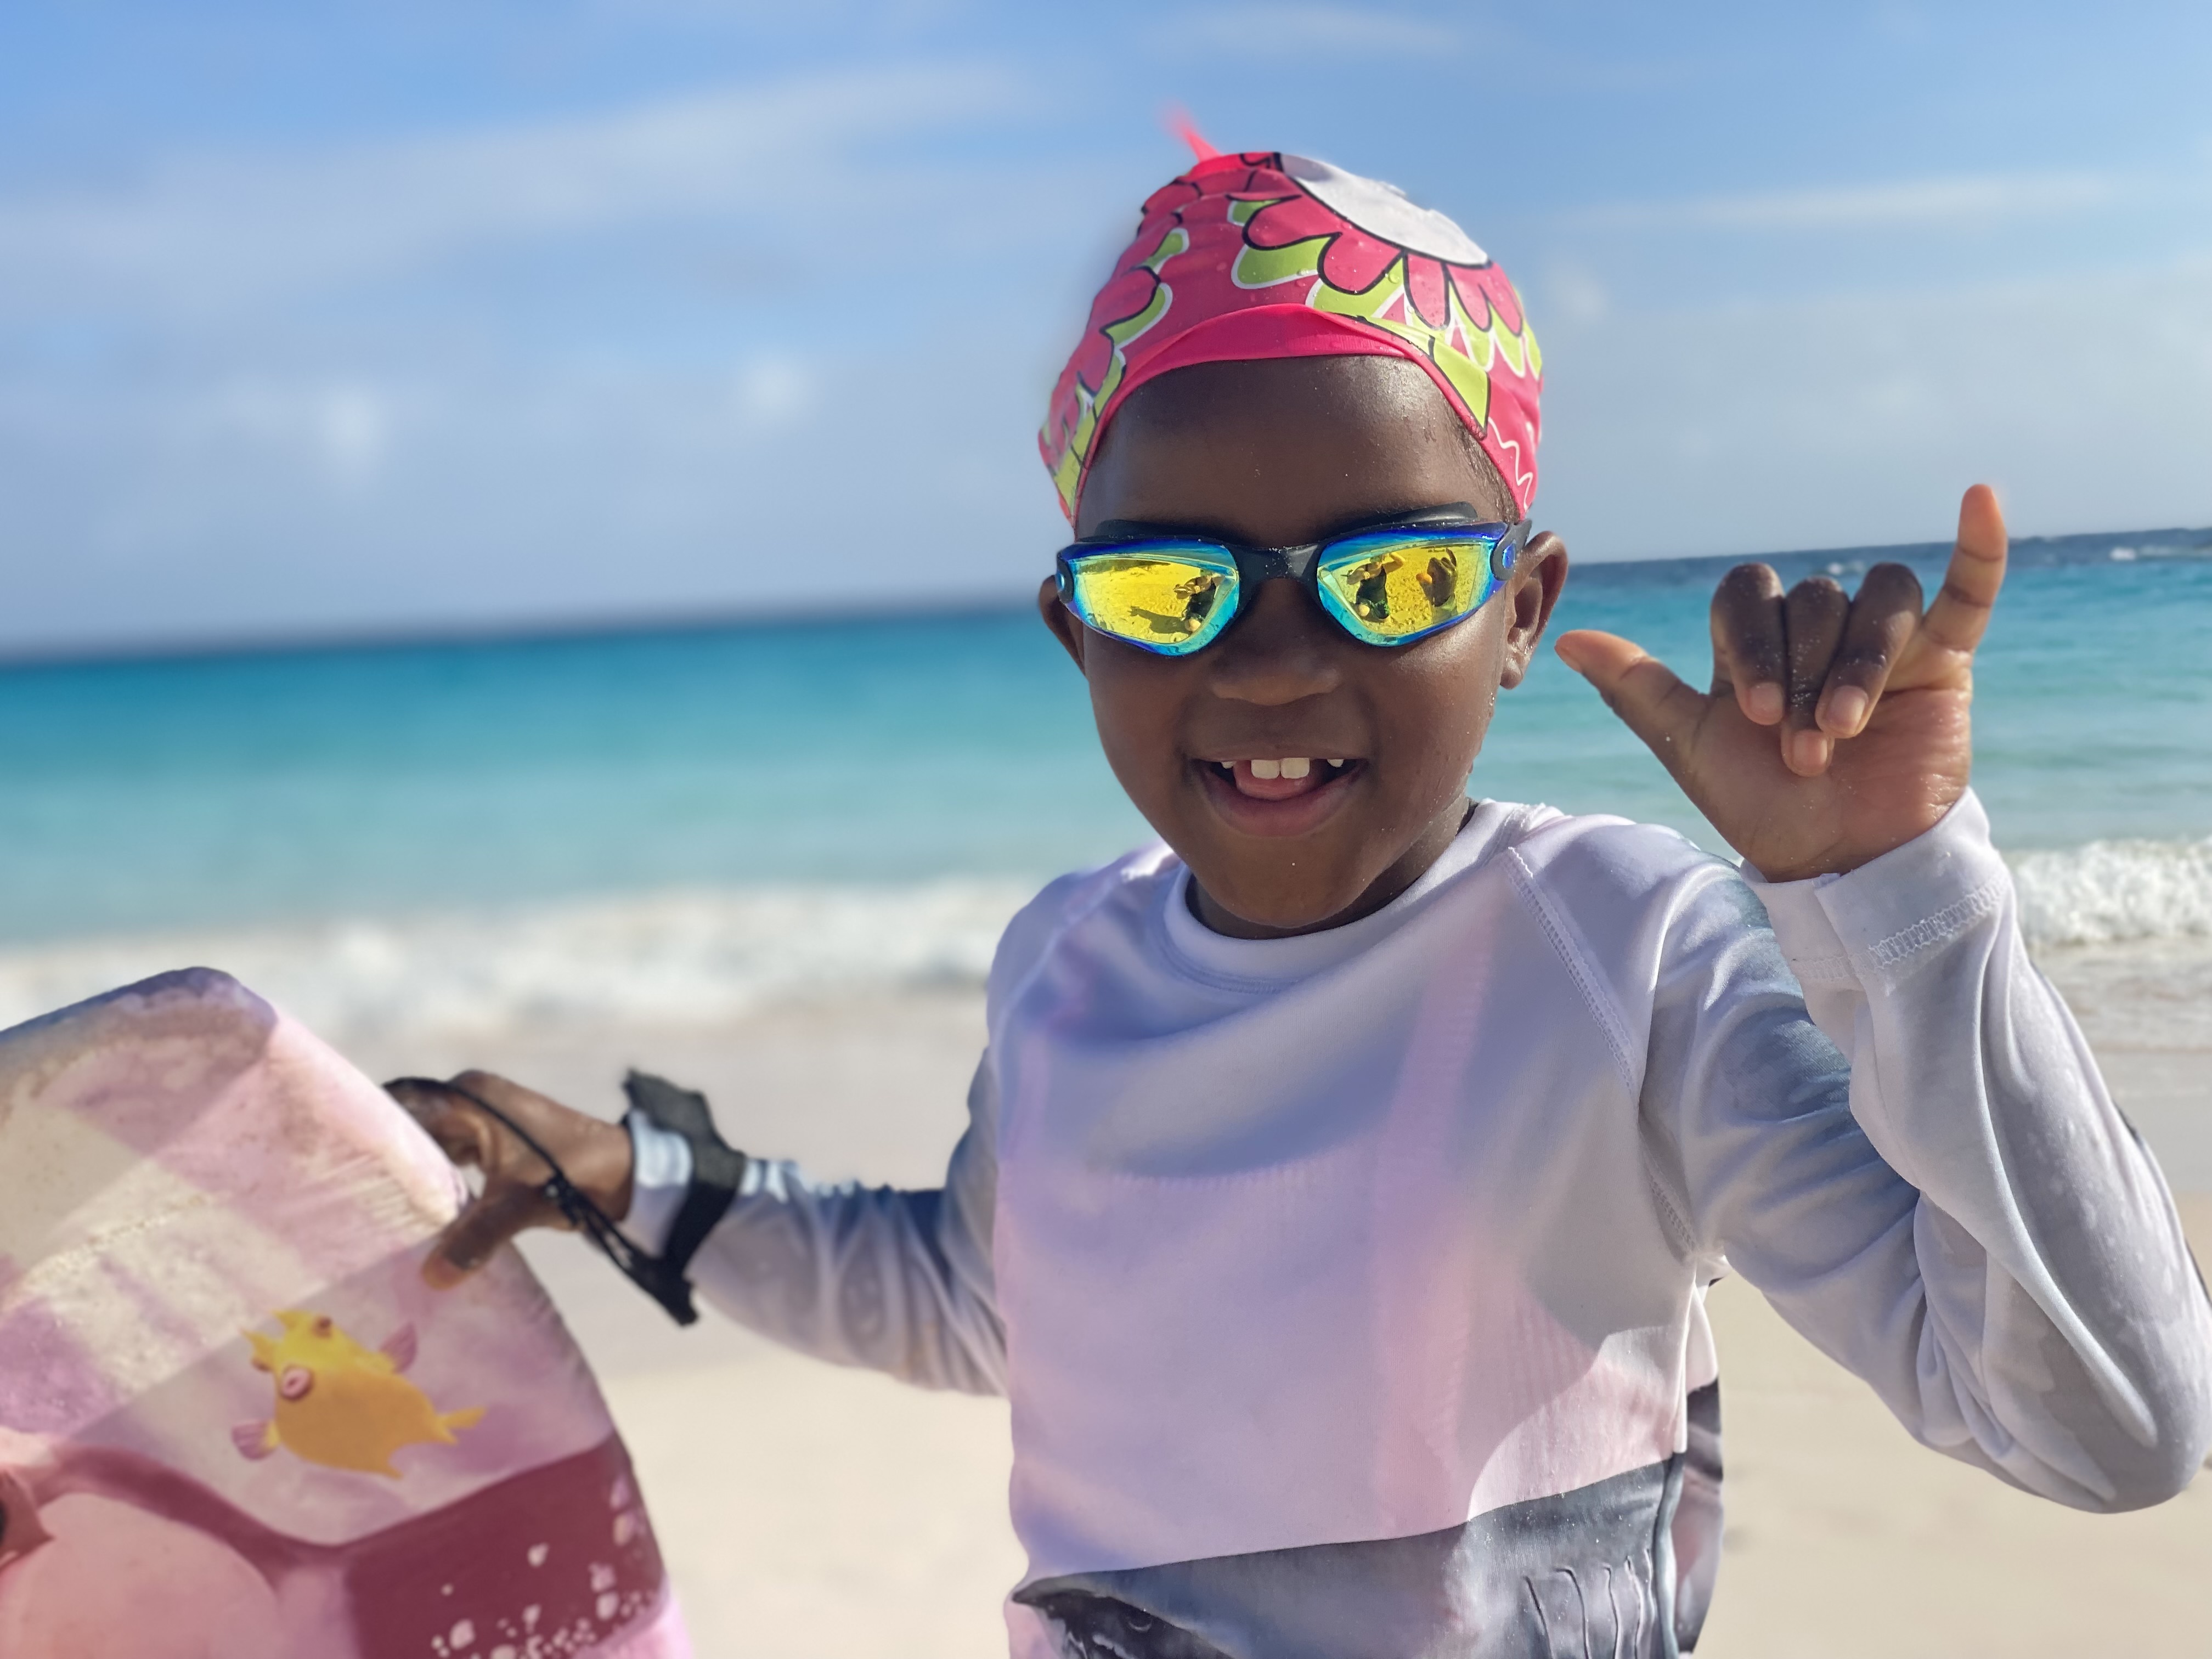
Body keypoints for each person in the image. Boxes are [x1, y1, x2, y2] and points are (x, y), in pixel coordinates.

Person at [388, 148, 2212, 1657]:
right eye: (1171, 590)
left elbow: (2105, 1424)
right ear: (1079, 631)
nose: (1272, 662)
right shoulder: (1066, 969)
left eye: (1389, 575)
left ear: (1518, 610)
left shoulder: (1624, 957)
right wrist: (646, 1180)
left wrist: (1885, 888)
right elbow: (982, 1304)